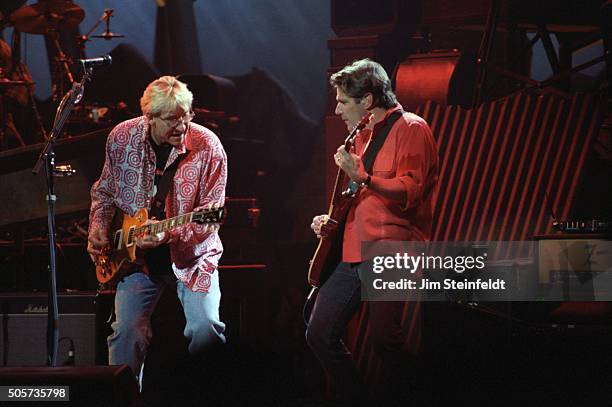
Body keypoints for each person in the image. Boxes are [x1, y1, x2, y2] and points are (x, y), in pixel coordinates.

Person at [307, 59, 438, 405]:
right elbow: (358, 196)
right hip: (353, 248)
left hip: (393, 247)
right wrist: (331, 220)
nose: (336, 109)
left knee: (384, 339)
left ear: (367, 100)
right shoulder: (362, 135)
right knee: (319, 333)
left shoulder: (412, 128)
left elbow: (411, 189)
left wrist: (363, 177)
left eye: (343, 101)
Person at [87, 76, 227, 384]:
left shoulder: (209, 146)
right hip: (136, 261)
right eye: (172, 120)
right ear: (149, 117)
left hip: (193, 259)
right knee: (125, 334)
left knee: (206, 328)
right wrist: (97, 227)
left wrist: (168, 235)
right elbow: (105, 192)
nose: (182, 127)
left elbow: (211, 218)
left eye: (186, 117)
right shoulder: (121, 137)